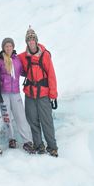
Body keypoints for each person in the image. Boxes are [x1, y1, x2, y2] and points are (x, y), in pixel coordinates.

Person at [18, 26, 59, 157]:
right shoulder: (23, 56)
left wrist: (53, 94)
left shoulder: (45, 55)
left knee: (46, 120)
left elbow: (51, 75)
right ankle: (38, 145)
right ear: (26, 42)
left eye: (32, 39)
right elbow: (12, 59)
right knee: (32, 120)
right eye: (28, 40)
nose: (31, 42)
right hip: (30, 94)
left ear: (36, 41)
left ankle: (52, 147)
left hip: (43, 94)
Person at [0, 37, 35, 154]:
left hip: (16, 93)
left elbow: (24, 72)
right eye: (6, 46)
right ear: (3, 48)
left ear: (13, 47)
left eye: (10, 46)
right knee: (6, 117)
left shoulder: (17, 60)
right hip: (4, 93)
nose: (8, 48)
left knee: (20, 117)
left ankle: (27, 141)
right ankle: (11, 139)